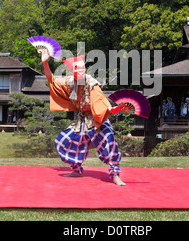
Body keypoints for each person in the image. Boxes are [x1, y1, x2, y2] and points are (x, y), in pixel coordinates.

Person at [39, 48, 128, 186]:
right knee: (64, 141)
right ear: (72, 71)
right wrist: (45, 63)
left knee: (109, 142)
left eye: (82, 68)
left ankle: (115, 174)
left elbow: (99, 98)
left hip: (96, 118)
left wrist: (111, 109)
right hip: (81, 120)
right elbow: (52, 80)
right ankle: (77, 170)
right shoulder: (69, 82)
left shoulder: (90, 82)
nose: (80, 70)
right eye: (77, 68)